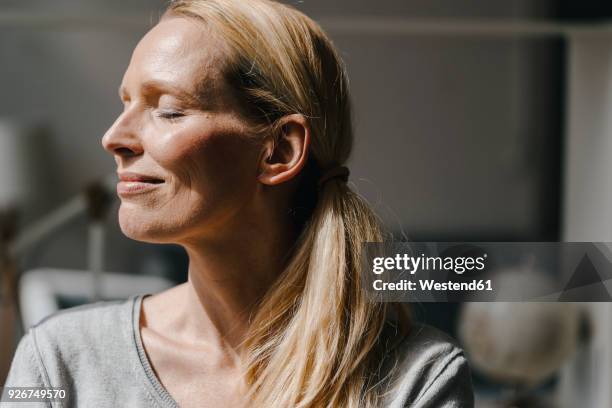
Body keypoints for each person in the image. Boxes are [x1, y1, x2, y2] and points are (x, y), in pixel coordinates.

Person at [4, 0, 474, 406]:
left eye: (167, 110)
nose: (114, 138)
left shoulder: (417, 378)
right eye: (125, 104)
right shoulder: (57, 359)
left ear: (279, 151)